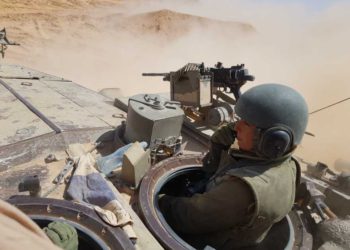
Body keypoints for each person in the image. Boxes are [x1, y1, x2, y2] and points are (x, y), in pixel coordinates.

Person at [158, 83, 309, 249]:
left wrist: (158, 199)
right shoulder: (287, 165)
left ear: (271, 140)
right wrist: (219, 144)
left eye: (246, 124)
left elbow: (189, 217)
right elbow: (215, 172)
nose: (237, 127)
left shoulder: (243, 188)